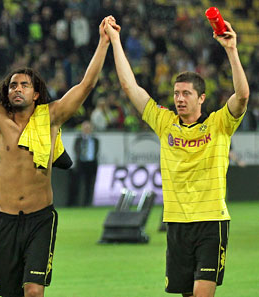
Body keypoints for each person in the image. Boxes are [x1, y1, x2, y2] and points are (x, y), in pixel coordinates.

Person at [0, 15, 112, 297]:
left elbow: (86, 85)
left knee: (34, 291)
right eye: (12, 85)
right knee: (8, 292)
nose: (17, 89)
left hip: (40, 219)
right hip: (6, 221)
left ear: (36, 93)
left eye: (23, 85)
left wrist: (104, 42)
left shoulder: (51, 117)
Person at [104, 17, 249, 297]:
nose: (179, 99)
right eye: (176, 93)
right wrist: (116, 41)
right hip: (176, 223)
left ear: (202, 98)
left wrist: (232, 51)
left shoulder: (219, 124)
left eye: (186, 93)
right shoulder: (165, 123)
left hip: (211, 221)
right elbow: (129, 87)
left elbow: (242, 96)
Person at [67, 120, 99, 207]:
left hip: (91, 164)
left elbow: (96, 151)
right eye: (85, 128)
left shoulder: (95, 140)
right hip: (81, 163)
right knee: (76, 184)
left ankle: (87, 203)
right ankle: (74, 203)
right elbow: (75, 150)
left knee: (89, 184)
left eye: (88, 128)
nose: (87, 130)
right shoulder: (78, 139)